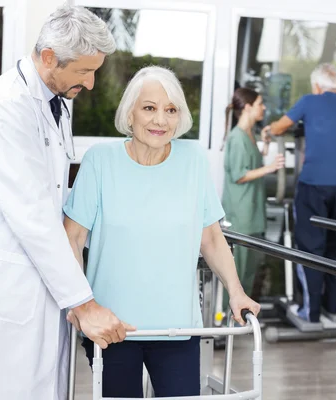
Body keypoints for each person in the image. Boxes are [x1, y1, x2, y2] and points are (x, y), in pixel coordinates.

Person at [0, 6, 134, 400]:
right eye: (84, 72)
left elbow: (53, 192)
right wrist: (84, 304)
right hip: (1, 279)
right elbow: (33, 215)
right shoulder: (6, 107)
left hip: (33, 277)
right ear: (49, 57)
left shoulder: (56, 97)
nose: (90, 84)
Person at [63, 66, 261, 398]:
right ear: (130, 114)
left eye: (170, 110)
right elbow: (72, 238)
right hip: (113, 326)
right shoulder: (100, 161)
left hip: (177, 327)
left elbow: (211, 238)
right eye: (149, 108)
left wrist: (237, 292)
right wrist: (82, 304)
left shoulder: (193, 162)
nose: (160, 120)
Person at [269, 63, 336, 325]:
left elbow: (279, 128)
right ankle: (331, 309)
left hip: (315, 184)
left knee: (310, 247)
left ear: (316, 85)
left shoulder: (309, 101)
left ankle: (309, 313)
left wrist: (274, 129)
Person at [221, 88, 284, 310]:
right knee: (239, 272)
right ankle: (228, 321)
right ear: (247, 107)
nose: (263, 107)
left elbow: (252, 163)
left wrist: (265, 144)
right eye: (259, 103)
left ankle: (241, 318)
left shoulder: (249, 134)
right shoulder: (237, 137)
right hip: (241, 214)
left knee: (249, 269)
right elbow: (239, 175)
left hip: (253, 212)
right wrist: (270, 168)